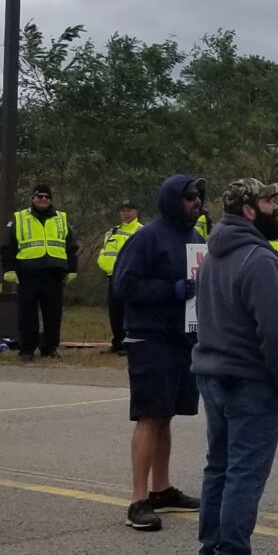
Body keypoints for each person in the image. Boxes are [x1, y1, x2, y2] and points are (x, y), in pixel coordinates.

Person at [190, 178, 278, 555]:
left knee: (218, 467)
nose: (275, 207)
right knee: (244, 473)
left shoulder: (214, 255)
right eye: (270, 201)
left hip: (212, 374)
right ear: (251, 210)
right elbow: (275, 332)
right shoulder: (258, 258)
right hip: (248, 380)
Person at [110, 176, 206, 532]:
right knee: (150, 416)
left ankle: (162, 489)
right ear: (172, 200)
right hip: (151, 339)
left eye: (199, 197)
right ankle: (138, 500)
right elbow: (124, 286)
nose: (197, 203)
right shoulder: (147, 238)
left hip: (183, 340)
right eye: (190, 197)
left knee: (166, 415)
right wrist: (172, 290)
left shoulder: (196, 240)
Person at [3, 183, 77, 359]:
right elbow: (7, 246)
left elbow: (71, 246)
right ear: (33, 199)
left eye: (47, 197)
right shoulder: (19, 218)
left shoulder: (61, 218)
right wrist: (9, 268)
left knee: (53, 314)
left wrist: (72, 269)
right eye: (39, 196)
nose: (43, 199)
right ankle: (27, 349)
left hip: (54, 273)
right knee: (27, 314)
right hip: (27, 273)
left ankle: (49, 348)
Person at [96, 202, 143, 355]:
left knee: (128, 311)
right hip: (113, 277)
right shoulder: (112, 232)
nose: (126, 213)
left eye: (129, 210)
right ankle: (117, 343)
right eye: (123, 211)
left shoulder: (141, 231)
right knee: (114, 311)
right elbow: (105, 252)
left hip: (131, 278)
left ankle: (129, 344)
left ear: (136, 212)